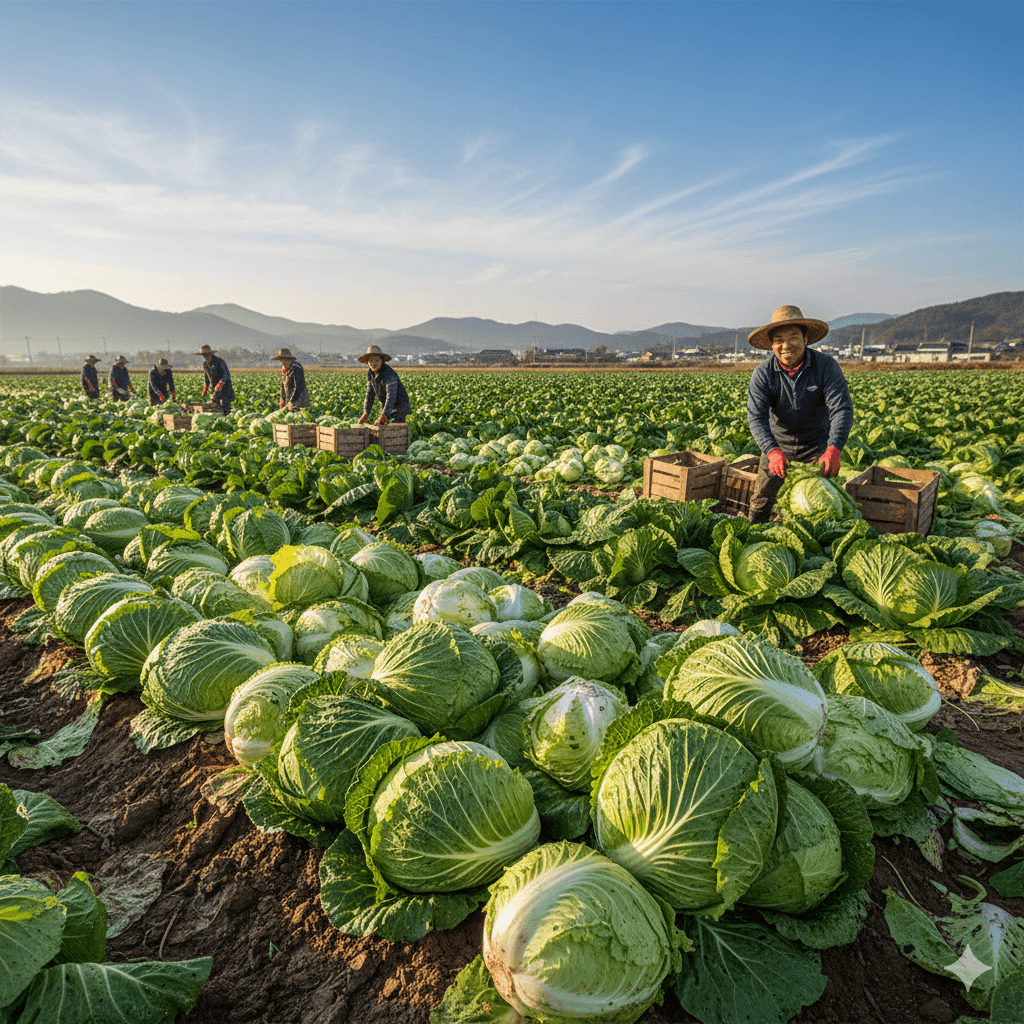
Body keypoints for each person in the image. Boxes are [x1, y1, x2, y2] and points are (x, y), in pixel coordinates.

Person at [745, 305, 854, 524]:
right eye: (778, 340)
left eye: (793, 337)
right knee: (760, 502)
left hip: (816, 449)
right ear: (772, 345)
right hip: (778, 446)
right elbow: (756, 417)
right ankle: (752, 534)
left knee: (820, 513)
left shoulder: (825, 367)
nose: (786, 346)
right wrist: (772, 451)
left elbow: (841, 409)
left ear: (805, 338)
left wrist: (834, 448)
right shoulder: (763, 373)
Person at [357, 345, 411, 425]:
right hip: (384, 406)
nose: (373, 364)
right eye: (371, 361)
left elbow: (391, 395)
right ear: (367, 362)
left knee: (392, 430)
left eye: (376, 361)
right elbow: (369, 394)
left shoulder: (389, 373)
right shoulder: (370, 373)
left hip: (400, 407)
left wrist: (385, 414)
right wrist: (366, 412)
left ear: (382, 361)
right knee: (380, 427)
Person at [197, 344, 235, 414]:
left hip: (225, 390)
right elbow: (206, 377)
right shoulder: (205, 364)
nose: (205, 357)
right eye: (203, 355)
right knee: (216, 409)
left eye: (206, 354)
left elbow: (226, 374)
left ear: (210, 353)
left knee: (225, 410)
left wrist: (220, 383)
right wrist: (205, 387)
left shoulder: (220, 361)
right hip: (215, 392)